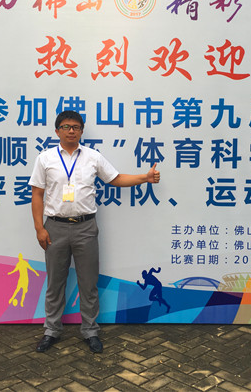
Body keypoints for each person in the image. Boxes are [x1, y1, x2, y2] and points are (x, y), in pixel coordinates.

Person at [29, 110, 160, 354]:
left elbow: (115, 178)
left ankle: (90, 331)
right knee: (55, 283)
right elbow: (37, 194)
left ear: (81, 131)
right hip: (55, 227)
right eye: (66, 126)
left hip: (86, 227)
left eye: (76, 127)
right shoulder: (45, 159)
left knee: (88, 283)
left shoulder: (92, 157)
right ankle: (51, 330)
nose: (71, 130)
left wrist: (145, 177)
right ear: (57, 131)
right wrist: (39, 228)